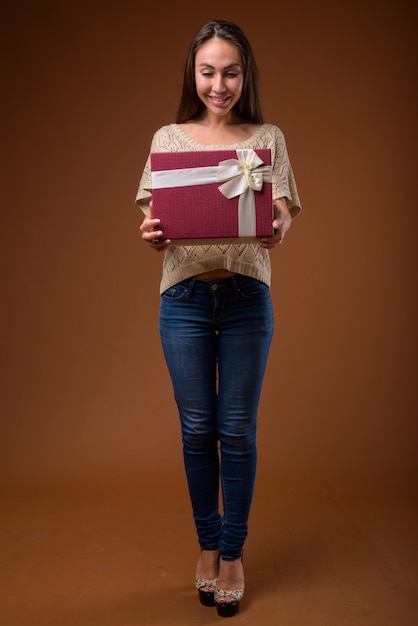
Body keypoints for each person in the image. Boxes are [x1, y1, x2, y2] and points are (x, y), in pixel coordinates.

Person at [135, 19, 301, 618]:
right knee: (196, 431)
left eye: (230, 72)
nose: (219, 84)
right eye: (208, 71)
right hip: (182, 301)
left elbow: (282, 208)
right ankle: (206, 546)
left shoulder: (268, 138)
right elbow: (154, 217)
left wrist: (279, 224)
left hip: (245, 301)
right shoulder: (168, 138)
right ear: (193, 74)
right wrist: (151, 234)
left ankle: (232, 554)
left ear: (245, 74)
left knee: (238, 431)